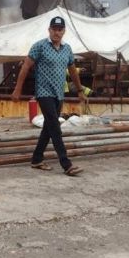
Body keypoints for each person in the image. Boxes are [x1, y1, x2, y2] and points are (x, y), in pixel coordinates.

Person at [11, 16, 86, 176]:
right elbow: (25, 67)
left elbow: (72, 71)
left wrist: (80, 91)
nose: (57, 32)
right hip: (44, 93)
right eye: (54, 29)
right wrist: (18, 89)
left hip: (59, 94)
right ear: (49, 30)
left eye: (60, 30)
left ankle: (37, 159)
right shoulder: (39, 46)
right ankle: (66, 164)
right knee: (55, 126)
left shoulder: (67, 49)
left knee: (48, 128)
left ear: (64, 31)